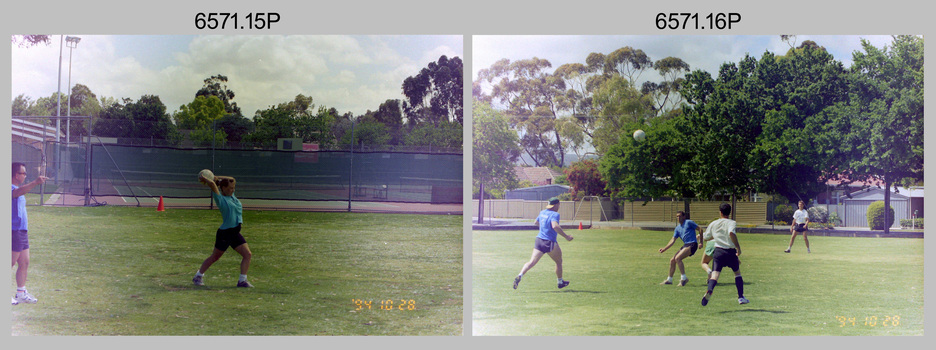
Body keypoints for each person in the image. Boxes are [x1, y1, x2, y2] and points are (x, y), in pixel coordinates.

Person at [192, 174, 253, 288]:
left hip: (234, 233)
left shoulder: (232, 196)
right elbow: (212, 184)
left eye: (233, 188)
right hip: (225, 233)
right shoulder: (220, 198)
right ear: (223, 188)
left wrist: (216, 176)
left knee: (247, 254)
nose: (232, 190)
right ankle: (198, 276)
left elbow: (232, 178)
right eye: (229, 188)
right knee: (215, 257)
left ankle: (242, 281)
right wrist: (206, 178)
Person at [513, 197, 573, 290]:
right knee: (559, 261)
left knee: (531, 262)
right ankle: (560, 282)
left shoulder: (542, 212)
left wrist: (544, 227)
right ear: (556, 205)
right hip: (549, 242)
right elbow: (555, 226)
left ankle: (520, 275)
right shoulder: (555, 214)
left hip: (539, 240)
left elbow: (536, 222)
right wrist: (566, 236)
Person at [12, 162, 48, 305]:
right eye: (23, 173)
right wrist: (35, 182)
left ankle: (21, 292)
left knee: (24, 262)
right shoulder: (11, 188)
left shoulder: (19, 188)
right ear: (16, 175)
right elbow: (17, 193)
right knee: (9, 262)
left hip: (22, 230)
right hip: (12, 230)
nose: (25, 176)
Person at [700, 203, 749, 306]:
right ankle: (741, 297)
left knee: (715, 274)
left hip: (718, 251)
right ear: (729, 212)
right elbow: (731, 233)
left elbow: (706, 237)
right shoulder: (731, 222)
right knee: (737, 273)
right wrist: (738, 247)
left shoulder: (714, 223)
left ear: (720, 212)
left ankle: (709, 290)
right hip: (730, 252)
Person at [658, 211, 699, 286]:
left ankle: (684, 278)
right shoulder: (677, 228)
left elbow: (700, 229)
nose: (678, 218)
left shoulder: (689, 222)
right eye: (677, 216)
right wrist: (664, 249)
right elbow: (673, 240)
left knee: (678, 258)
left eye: (680, 216)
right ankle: (669, 280)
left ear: (684, 216)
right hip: (686, 245)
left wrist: (701, 242)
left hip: (693, 244)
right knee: (672, 260)